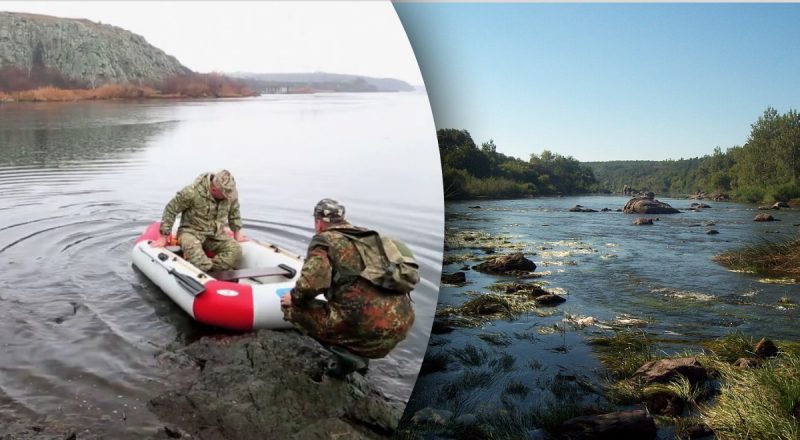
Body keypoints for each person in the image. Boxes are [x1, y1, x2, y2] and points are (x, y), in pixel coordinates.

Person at [281, 198, 417, 360]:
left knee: (292, 307)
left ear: (319, 222)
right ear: (343, 218)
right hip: (401, 323)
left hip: (366, 329)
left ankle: (345, 357)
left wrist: (293, 298)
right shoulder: (368, 236)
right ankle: (360, 351)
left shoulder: (324, 240)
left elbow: (309, 285)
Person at [151, 169, 245, 272]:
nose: (228, 196)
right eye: (225, 194)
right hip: (190, 233)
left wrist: (237, 233)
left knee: (236, 250)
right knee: (199, 260)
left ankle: (212, 270)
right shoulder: (192, 192)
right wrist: (163, 237)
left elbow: (234, 212)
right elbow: (171, 209)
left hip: (215, 235)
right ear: (214, 189)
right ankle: (203, 267)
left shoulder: (230, 193)